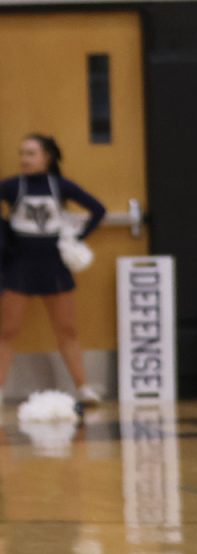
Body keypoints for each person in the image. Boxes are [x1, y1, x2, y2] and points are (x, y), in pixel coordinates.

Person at [0, 134, 106, 406]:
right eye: (22, 153)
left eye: (31, 153)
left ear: (46, 157)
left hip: (54, 266)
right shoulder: (12, 186)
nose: (24, 158)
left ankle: (83, 389)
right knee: (7, 332)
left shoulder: (60, 186)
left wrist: (77, 238)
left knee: (67, 330)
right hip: (20, 266)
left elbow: (98, 209)